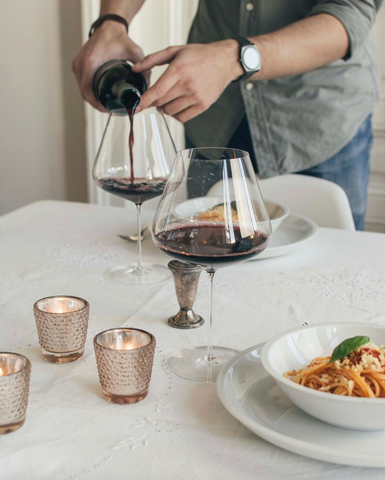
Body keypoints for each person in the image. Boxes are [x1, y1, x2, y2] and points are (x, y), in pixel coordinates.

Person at [72, 0, 383, 230]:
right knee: (206, 266)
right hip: (213, 117)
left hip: (316, 120)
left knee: (321, 281)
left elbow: (350, 12)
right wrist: (112, 22)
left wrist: (234, 59)